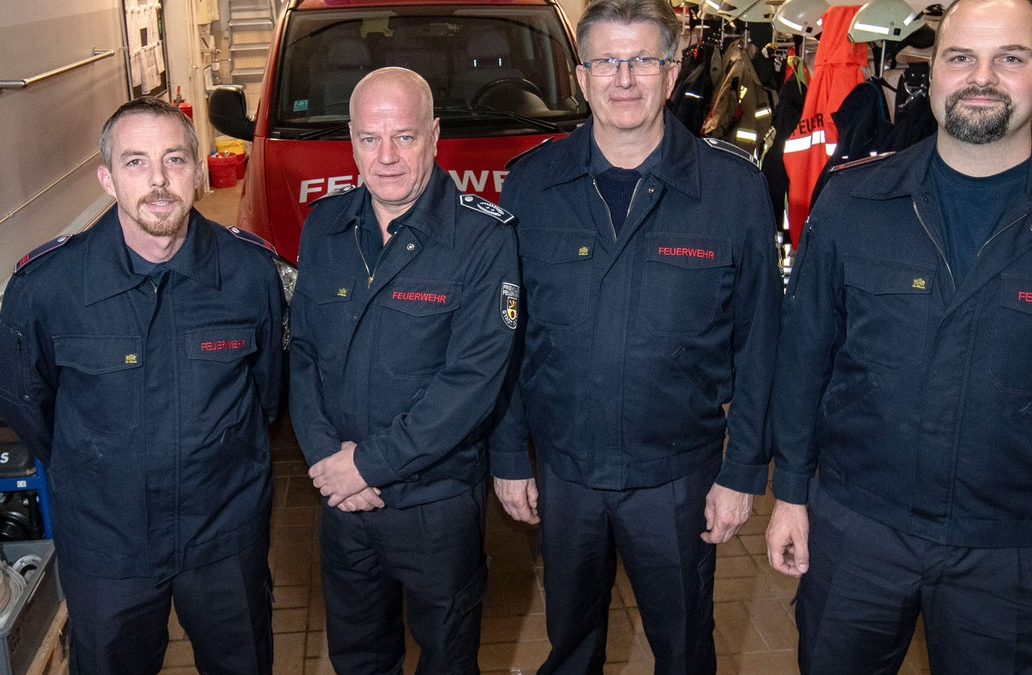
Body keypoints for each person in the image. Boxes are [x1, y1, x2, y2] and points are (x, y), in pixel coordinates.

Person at [766, 0, 1032, 673]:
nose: (981, 77)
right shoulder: (854, 203)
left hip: (1014, 556)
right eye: (961, 57)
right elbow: (804, 356)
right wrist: (789, 490)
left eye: (1009, 58)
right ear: (933, 69)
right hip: (857, 531)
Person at [489, 0, 782, 671]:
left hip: (677, 477)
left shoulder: (731, 191)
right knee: (571, 643)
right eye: (607, 62)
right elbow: (503, 336)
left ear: (673, 71)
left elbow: (763, 343)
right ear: (582, 76)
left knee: (683, 647)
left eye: (642, 60)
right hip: (565, 471)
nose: (624, 79)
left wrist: (743, 472)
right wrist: (508, 454)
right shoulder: (531, 186)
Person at [0, 97, 284, 675]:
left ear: (199, 168)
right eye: (135, 162)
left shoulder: (250, 274)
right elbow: (30, 406)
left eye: (174, 159)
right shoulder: (45, 289)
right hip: (107, 545)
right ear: (107, 178)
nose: (158, 181)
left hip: (223, 536)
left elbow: (267, 397)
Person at [288, 67, 518, 675]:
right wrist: (327, 462)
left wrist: (368, 465)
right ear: (352, 140)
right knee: (359, 656)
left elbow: (471, 381)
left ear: (435, 136)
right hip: (343, 498)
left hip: (433, 502)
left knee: (447, 657)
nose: (386, 157)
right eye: (370, 138)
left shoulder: (482, 238)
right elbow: (304, 353)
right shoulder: (326, 227)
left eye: (405, 137)